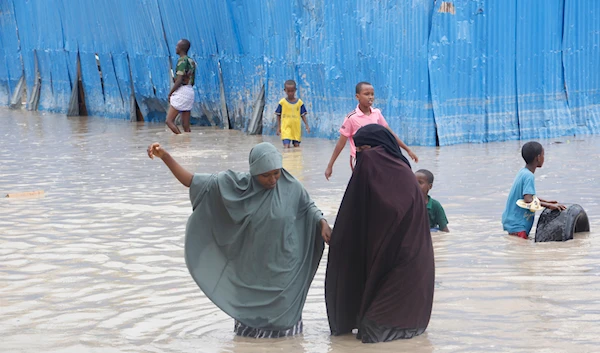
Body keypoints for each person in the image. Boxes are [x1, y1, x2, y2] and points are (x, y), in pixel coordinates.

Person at [147, 141, 331, 338]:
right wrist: (165, 157)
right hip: (250, 270)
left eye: (276, 172)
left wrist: (322, 222)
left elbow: (309, 208)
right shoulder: (235, 186)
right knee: (247, 336)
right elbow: (191, 181)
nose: (273, 180)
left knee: (286, 334)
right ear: (253, 172)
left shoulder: (292, 186)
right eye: (265, 175)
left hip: (284, 269)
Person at [325, 124, 435, 343]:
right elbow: (359, 217)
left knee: (376, 329)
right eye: (359, 152)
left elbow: (390, 215)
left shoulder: (393, 173)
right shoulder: (386, 172)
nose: (363, 157)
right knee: (368, 330)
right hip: (392, 257)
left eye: (366, 149)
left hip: (405, 262)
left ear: (380, 147)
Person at [324, 82, 418, 180]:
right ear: (357, 97)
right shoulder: (351, 118)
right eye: (366, 94)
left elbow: (389, 134)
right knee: (362, 184)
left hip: (377, 156)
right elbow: (341, 143)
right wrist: (330, 165)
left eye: (372, 94)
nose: (370, 97)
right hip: (359, 158)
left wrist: (407, 150)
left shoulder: (376, 113)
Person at [502, 141, 566, 239]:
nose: (544, 158)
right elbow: (528, 200)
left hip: (512, 222)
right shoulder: (529, 176)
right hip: (519, 226)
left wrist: (546, 201)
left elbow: (526, 196)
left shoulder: (522, 172)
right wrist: (549, 206)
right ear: (538, 157)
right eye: (543, 155)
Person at [166, 39, 196, 134]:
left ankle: (180, 141)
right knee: (186, 126)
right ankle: (187, 145)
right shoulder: (191, 61)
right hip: (190, 91)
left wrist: (170, 93)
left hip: (182, 91)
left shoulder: (182, 61)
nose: (176, 48)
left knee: (169, 121)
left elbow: (179, 80)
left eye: (177, 46)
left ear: (181, 48)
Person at [275, 80, 310, 148]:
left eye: (292, 91)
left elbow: (303, 115)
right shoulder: (282, 102)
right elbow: (278, 115)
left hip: (296, 128)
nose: (290, 93)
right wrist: (278, 127)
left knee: (296, 146)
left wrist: (306, 125)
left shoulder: (299, 103)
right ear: (285, 90)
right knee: (286, 146)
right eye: (288, 91)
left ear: (295, 90)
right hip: (286, 128)